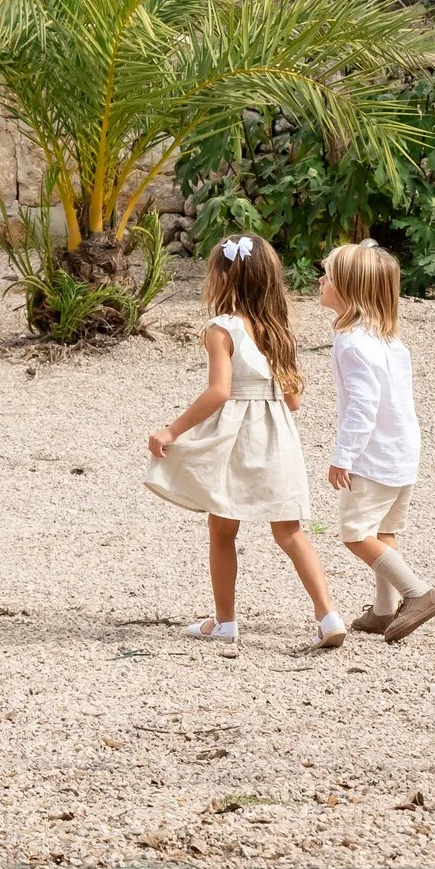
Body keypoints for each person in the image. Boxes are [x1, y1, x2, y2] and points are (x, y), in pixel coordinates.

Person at [145, 234, 346, 652]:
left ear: (223, 278)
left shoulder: (221, 329)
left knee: (222, 529)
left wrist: (172, 430)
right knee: (289, 531)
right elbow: (293, 400)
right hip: (277, 439)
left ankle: (224, 622)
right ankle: (328, 615)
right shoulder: (279, 332)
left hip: (237, 439)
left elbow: (219, 391)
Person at [320, 241, 435, 642]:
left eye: (328, 276)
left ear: (348, 291)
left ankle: (418, 593)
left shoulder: (351, 344)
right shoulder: (390, 340)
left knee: (356, 534)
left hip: (373, 458)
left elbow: (363, 406)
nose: (320, 281)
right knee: (383, 531)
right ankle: (383, 610)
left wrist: (344, 456)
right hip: (402, 453)